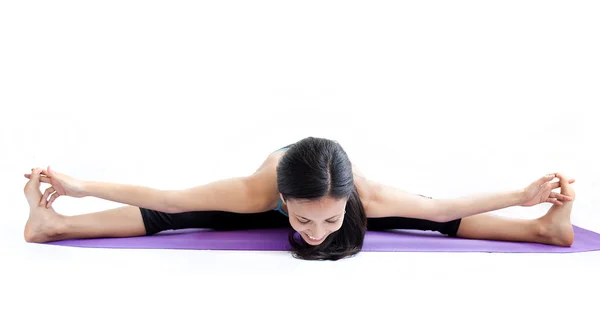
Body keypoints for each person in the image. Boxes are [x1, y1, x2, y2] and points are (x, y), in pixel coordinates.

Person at [22, 136, 577, 260]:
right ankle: (51, 225)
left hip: (356, 191)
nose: (314, 233)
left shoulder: (365, 195)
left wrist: (525, 195)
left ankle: (545, 228)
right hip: (266, 191)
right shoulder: (257, 192)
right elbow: (163, 192)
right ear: (284, 200)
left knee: (425, 219)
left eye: (330, 219)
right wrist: (76, 186)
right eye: (304, 219)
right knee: (174, 211)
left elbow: (442, 206)